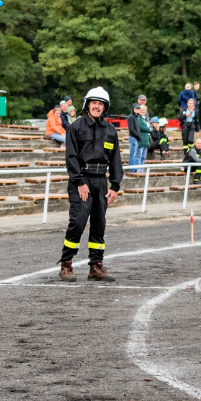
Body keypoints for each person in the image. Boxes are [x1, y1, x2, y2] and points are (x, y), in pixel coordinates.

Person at [59, 86, 122, 281]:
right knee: (78, 223)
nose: (97, 106)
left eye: (100, 104)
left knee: (99, 224)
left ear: (105, 107)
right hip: (82, 181)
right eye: (94, 103)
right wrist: (79, 181)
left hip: (101, 182)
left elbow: (116, 160)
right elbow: (71, 157)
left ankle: (96, 266)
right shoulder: (76, 127)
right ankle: (66, 263)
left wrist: (115, 186)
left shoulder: (110, 130)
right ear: (87, 105)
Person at [126, 99, 147, 170]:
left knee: (135, 154)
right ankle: (132, 169)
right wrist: (138, 136)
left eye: (138, 108)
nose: (137, 109)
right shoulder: (131, 117)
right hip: (133, 137)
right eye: (136, 108)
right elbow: (131, 130)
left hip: (135, 138)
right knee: (133, 155)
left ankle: (134, 168)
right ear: (133, 109)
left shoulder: (136, 117)